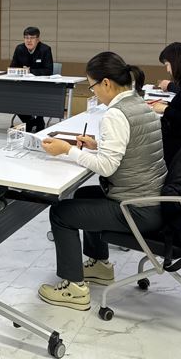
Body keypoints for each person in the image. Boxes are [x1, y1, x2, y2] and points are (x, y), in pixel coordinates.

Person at [38, 52, 166, 311]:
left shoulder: (116, 114)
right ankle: (99, 266)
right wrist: (98, 145)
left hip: (137, 208)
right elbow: (133, 148)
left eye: (93, 86)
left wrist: (68, 150)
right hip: (154, 199)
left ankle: (73, 288)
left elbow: (107, 166)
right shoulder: (141, 104)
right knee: (84, 196)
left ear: (106, 83)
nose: (94, 92)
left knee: (62, 212)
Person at [10, 26, 54, 132]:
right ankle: (29, 121)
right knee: (11, 96)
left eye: (32, 38)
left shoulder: (45, 49)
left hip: (40, 86)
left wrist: (30, 71)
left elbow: (48, 70)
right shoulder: (19, 48)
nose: (28, 40)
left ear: (38, 39)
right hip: (22, 84)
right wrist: (20, 71)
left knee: (39, 96)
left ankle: (39, 120)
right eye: (26, 37)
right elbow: (12, 67)